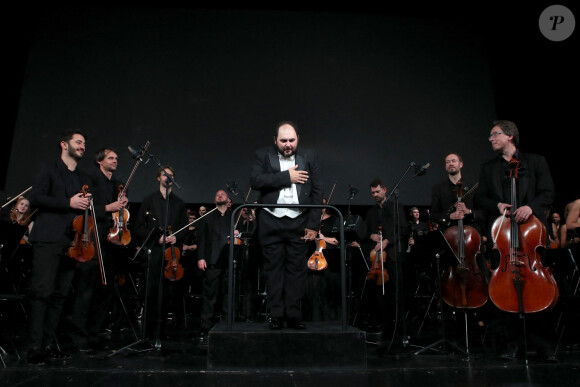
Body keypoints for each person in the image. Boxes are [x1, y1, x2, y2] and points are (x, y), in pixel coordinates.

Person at [476, 120, 557, 361]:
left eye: (495, 134)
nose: (490, 139)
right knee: (505, 288)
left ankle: (543, 345)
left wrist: (530, 207)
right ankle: (511, 343)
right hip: (503, 235)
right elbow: (481, 199)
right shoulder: (488, 168)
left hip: (532, 233)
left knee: (540, 289)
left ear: (510, 136)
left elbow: (548, 192)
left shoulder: (535, 161)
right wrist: (498, 204)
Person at [26, 130, 93, 364]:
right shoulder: (49, 168)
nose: (82, 146)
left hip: (72, 242)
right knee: (42, 293)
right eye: (78, 142)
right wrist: (68, 202)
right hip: (48, 238)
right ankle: (34, 347)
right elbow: (36, 198)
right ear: (64, 145)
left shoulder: (82, 177)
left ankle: (49, 344)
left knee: (60, 295)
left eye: (84, 143)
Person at [250, 121, 323, 330]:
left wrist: (313, 225)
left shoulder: (310, 156)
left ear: (298, 138)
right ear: (275, 140)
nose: (288, 145)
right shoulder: (262, 155)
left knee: (296, 271)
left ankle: (293, 315)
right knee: (273, 270)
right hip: (270, 220)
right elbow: (255, 180)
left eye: (292, 140)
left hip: (299, 221)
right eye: (283, 141)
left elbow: (318, 191)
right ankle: (275, 315)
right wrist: (286, 177)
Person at [67, 147, 129, 352]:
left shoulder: (116, 184)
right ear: (99, 161)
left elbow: (117, 210)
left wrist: (121, 206)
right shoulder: (90, 179)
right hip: (92, 241)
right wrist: (108, 208)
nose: (115, 160)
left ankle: (94, 334)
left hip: (110, 243)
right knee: (85, 292)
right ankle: (79, 336)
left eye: (116, 158)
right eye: (111, 157)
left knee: (105, 292)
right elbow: (87, 207)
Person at [133, 165, 188, 340]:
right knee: (151, 293)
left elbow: (184, 229)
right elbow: (139, 228)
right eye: (165, 175)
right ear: (158, 178)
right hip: (154, 253)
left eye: (171, 175)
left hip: (171, 254)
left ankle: (163, 332)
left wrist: (176, 238)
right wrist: (155, 238)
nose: (168, 177)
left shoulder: (179, 203)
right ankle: (147, 333)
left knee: (169, 294)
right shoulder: (149, 200)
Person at [354, 179, 406, 336]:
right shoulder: (371, 212)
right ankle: (381, 323)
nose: (375, 195)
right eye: (373, 193)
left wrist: (386, 241)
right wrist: (372, 235)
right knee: (377, 292)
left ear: (385, 190)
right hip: (376, 257)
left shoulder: (397, 207)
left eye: (377, 192)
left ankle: (397, 326)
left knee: (394, 292)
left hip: (392, 255)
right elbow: (365, 232)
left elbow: (402, 230)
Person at [196, 189, 238, 341]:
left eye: (223, 194)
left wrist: (237, 233)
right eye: (217, 194)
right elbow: (201, 239)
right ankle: (206, 327)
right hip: (212, 261)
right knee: (209, 296)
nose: (219, 195)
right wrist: (201, 257)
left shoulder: (235, 216)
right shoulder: (207, 217)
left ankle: (228, 326)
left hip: (228, 261)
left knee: (228, 295)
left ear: (228, 200)